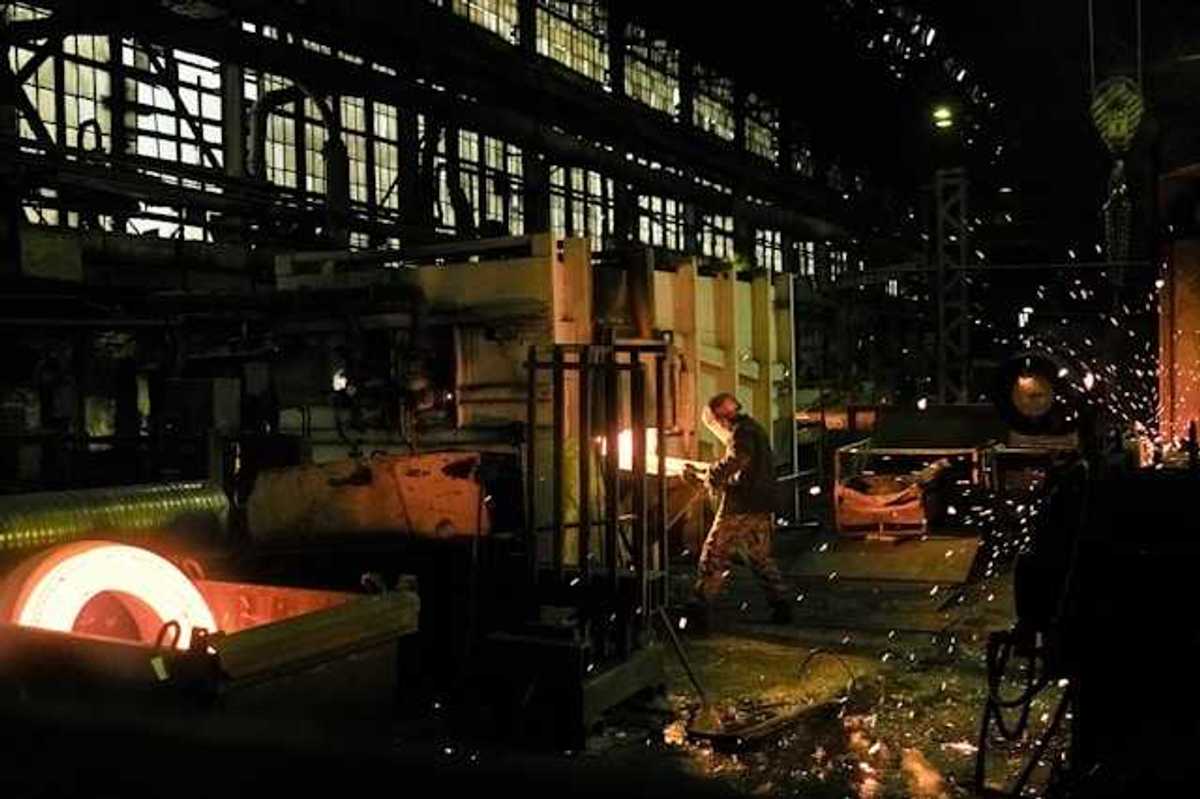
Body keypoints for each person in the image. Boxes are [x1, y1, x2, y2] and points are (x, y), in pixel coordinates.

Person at [683, 392, 792, 630]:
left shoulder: (741, 433)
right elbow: (744, 467)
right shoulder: (753, 429)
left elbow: (737, 460)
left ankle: (698, 610)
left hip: (740, 505)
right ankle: (781, 604)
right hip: (760, 504)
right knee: (759, 556)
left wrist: (712, 474)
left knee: (713, 555)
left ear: (721, 418)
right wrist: (710, 473)